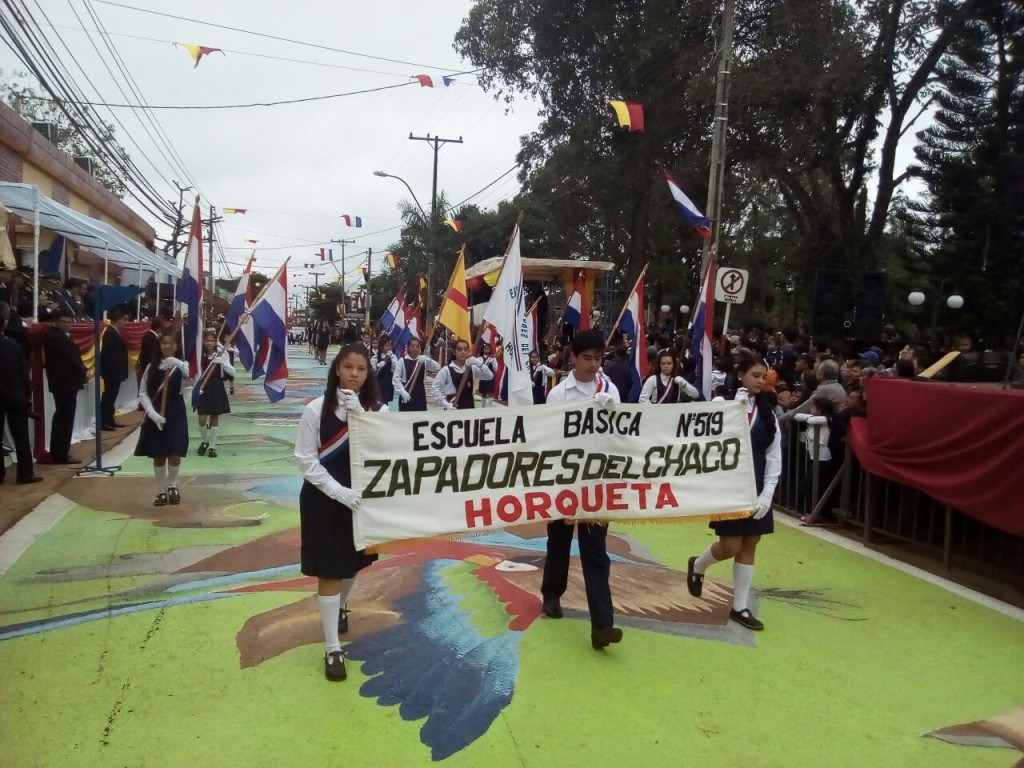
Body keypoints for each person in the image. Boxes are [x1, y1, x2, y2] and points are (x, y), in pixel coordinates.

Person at [294, 343, 385, 681]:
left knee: (352, 565)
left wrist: (361, 416)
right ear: (336, 369)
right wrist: (338, 492)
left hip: (361, 501)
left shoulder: (378, 410)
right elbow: (305, 460)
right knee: (330, 570)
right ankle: (332, 648)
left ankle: (343, 606)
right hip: (323, 500)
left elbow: (388, 447)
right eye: (348, 367)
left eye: (361, 369)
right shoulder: (315, 410)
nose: (354, 375)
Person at [686, 349, 782, 631]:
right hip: (728, 486)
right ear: (740, 375)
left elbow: (774, 454)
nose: (760, 381)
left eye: (763, 377)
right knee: (730, 545)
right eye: (755, 375)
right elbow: (705, 437)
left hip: (756, 486)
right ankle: (698, 565)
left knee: (751, 542)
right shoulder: (721, 402)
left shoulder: (768, 413)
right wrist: (732, 412)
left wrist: (768, 493)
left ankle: (740, 606)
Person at [540, 328, 624, 650]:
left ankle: (602, 625)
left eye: (597, 358)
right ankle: (551, 593)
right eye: (586, 358)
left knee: (596, 554)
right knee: (558, 543)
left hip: (596, 484)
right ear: (572, 357)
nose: (592, 364)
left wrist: (611, 411)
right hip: (563, 480)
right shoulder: (558, 394)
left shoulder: (609, 390)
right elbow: (547, 436)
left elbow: (621, 435)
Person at [136, 332, 190, 506]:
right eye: (164, 343)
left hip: (176, 412)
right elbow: (143, 392)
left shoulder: (182, 366)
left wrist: (179, 363)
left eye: (170, 343)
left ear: (177, 347)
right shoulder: (152, 367)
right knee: (158, 453)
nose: (167, 346)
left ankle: (172, 485)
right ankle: (161, 490)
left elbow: (194, 377)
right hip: (156, 412)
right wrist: (152, 414)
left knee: (175, 451)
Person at [0, 301, 41, 484]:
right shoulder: (15, 346)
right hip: (16, 395)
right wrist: (27, 397)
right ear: (5, 323)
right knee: (21, 436)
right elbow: (25, 376)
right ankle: (25, 473)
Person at [43, 309, 88, 465]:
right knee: (65, 418)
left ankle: (59, 451)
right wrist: (83, 371)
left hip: (64, 383)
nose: (66, 325)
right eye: (63, 321)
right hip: (64, 383)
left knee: (62, 417)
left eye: (69, 322)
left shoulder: (60, 337)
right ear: (56, 321)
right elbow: (71, 359)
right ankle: (61, 453)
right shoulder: (57, 338)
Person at [194, 331, 234, 458]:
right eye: (207, 340)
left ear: (215, 341)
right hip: (203, 388)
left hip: (216, 388)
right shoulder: (199, 355)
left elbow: (232, 372)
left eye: (212, 340)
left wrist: (222, 363)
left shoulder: (222, 354)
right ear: (203, 342)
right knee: (201, 417)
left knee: (215, 417)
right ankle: (205, 440)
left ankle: (212, 446)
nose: (209, 343)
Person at [431, 339, 494, 410]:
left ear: (468, 352)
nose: (463, 352)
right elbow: (435, 388)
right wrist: (446, 404)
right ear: (454, 352)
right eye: (459, 349)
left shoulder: (472, 368)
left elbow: (489, 376)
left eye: (465, 349)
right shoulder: (446, 370)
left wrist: (479, 364)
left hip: (469, 408)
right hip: (453, 407)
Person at [99, 311, 129, 431]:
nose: (124, 322)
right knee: (108, 397)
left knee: (112, 397)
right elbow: (106, 354)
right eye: (123, 319)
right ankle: (104, 421)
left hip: (115, 371)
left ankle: (109, 419)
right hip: (111, 372)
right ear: (117, 319)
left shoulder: (114, 333)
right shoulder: (110, 333)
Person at [393, 337, 440, 411]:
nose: (415, 348)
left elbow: (437, 368)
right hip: (406, 393)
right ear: (408, 348)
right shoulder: (402, 360)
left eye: (417, 346)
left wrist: (429, 360)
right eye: (412, 346)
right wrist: (402, 392)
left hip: (420, 394)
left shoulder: (423, 360)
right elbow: (395, 379)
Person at [475, 342, 500, 406]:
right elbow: (477, 368)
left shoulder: (492, 358)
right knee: (483, 393)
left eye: (488, 349)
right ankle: (483, 407)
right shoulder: (479, 358)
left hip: (490, 378)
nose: (486, 350)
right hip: (483, 378)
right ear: (483, 349)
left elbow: (495, 369)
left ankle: (490, 407)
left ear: (490, 349)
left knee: (491, 393)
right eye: (485, 349)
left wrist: (494, 360)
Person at [373, 337, 396, 407]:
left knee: (386, 399)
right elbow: (372, 369)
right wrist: (378, 365)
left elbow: (396, 367)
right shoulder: (376, 357)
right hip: (379, 381)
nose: (389, 347)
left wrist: (391, 357)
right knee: (378, 399)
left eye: (389, 345)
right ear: (381, 347)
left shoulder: (393, 357)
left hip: (388, 382)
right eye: (386, 346)